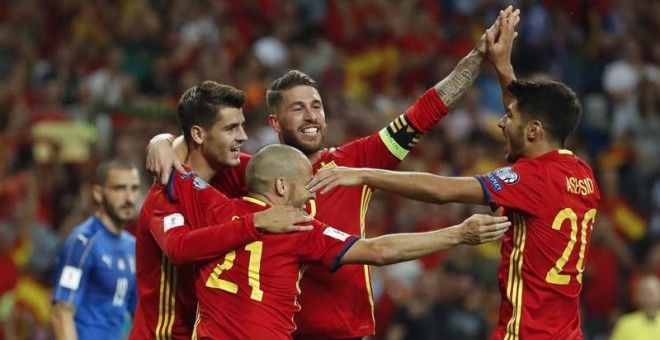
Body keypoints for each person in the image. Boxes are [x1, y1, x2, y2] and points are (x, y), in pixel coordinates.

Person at [146, 7, 521, 337]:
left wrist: (478, 56)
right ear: (275, 121)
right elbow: (196, 152)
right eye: (298, 109)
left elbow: (424, 113)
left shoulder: (357, 160)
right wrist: (162, 141)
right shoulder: (253, 171)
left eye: (317, 106)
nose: (311, 115)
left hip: (345, 332)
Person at [307, 10, 602, 339]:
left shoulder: (533, 178)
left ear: (533, 130)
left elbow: (441, 191)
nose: (502, 123)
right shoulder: (582, 174)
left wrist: (363, 175)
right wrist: (502, 65)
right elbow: (527, 122)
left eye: (509, 117)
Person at [168, 143, 510, 339]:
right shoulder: (300, 228)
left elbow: (174, 168)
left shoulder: (213, 208)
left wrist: (160, 143)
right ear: (282, 188)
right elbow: (378, 250)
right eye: (306, 184)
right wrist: (458, 233)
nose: (310, 194)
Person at [130, 81, 312, 339]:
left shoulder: (237, 172)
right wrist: (256, 222)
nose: (243, 136)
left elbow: (288, 172)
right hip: (164, 335)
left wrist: (163, 140)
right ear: (199, 135)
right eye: (231, 128)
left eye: (242, 125)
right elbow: (179, 248)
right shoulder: (166, 191)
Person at [52, 159, 141, 340]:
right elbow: (62, 312)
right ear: (98, 193)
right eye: (119, 188)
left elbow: (138, 313)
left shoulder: (133, 246)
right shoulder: (83, 242)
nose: (129, 198)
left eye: (134, 188)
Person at [610, 274, 660, 340]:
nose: (650, 296)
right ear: (638, 296)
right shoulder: (626, 323)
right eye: (646, 292)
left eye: (654, 291)